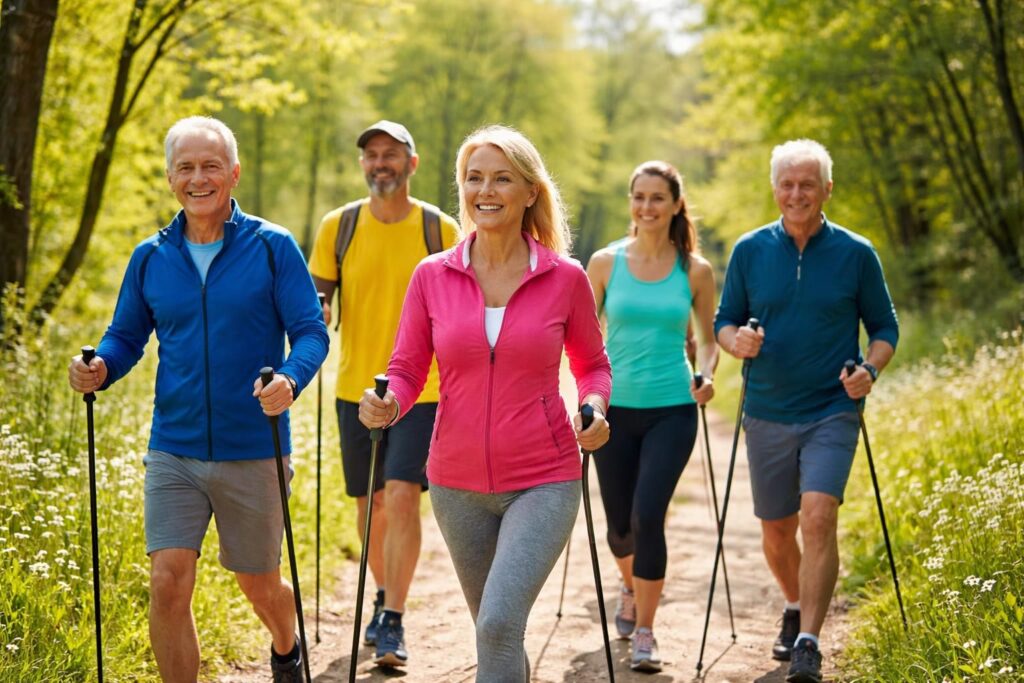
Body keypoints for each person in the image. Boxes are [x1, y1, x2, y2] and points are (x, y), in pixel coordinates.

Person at [67, 116, 329, 683]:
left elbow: (311, 332)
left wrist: (290, 379)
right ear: (170, 178)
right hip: (175, 447)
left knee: (258, 583)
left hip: (252, 445)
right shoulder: (151, 257)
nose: (198, 178)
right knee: (167, 580)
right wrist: (100, 367)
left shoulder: (272, 247)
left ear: (234, 173)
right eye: (185, 167)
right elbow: (125, 336)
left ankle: (286, 645)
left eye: (211, 165)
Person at [359, 124, 612, 682]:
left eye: (501, 179)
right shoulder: (432, 276)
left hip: (543, 478)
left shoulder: (565, 278)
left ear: (529, 191)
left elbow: (592, 365)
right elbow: (407, 368)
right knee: (497, 631)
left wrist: (593, 407)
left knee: (497, 625)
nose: (485, 191)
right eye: (474, 178)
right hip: (456, 484)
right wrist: (388, 403)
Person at [714, 139, 898, 683]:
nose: (797, 194)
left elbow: (885, 328)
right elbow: (725, 321)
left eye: (808, 184)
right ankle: (794, 604)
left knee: (818, 515)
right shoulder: (750, 250)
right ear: (775, 189)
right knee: (777, 530)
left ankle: (809, 644)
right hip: (766, 408)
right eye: (788, 184)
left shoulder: (856, 253)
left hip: (832, 407)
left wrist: (870, 369)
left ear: (827, 189)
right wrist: (735, 342)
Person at [307, 120, 458, 667]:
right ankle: (384, 593)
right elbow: (315, 299)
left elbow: (464, 302)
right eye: (371, 155)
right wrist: (316, 312)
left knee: (401, 495)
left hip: (423, 389)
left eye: (391, 154)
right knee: (370, 505)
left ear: (412, 163)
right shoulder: (339, 226)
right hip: (356, 388)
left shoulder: (440, 230)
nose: (380, 163)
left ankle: (392, 617)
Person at [585, 160, 718, 672]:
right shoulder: (604, 263)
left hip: (672, 409)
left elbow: (708, 341)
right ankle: (629, 585)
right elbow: (582, 336)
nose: (647, 206)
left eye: (657, 197)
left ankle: (645, 629)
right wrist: (583, 391)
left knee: (647, 516)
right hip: (613, 411)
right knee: (620, 526)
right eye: (639, 196)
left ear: (676, 204)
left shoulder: (695, 270)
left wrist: (705, 375)